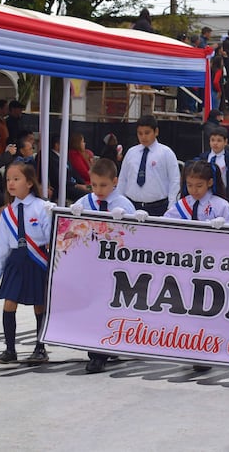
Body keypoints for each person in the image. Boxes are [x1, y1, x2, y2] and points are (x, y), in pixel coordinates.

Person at [70, 158, 137, 373]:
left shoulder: (124, 205)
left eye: (103, 185)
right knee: (94, 308)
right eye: (94, 185)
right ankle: (96, 353)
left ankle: (109, 345)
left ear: (115, 182)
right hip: (90, 266)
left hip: (115, 266)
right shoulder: (84, 203)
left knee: (111, 306)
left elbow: (136, 237)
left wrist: (129, 221)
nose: (98, 190)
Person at [0, 162, 53, 363]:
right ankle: (9, 349)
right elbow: (3, 247)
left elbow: (50, 237)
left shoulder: (42, 208)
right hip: (16, 261)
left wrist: (53, 215)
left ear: (30, 183)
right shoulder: (7, 213)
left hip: (37, 260)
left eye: (16, 179)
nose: (11, 183)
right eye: (8, 179)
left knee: (38, 305)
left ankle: (40, 347)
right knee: (9, 303)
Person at [117, 115, 180, 216]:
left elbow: (174, 181)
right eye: (140, 133)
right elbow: (123, 179)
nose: (143, 137)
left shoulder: (166, 153)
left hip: (158, 207)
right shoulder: (131, 152)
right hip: (131, 205)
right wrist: (119, 203)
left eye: (147, 133)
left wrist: (171, 207)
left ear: (156, 132)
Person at [164, 160, 229, 226]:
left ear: (210, 183)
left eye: (199, 186)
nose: (194, 190)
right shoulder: (182, 204)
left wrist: (225, 224)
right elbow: (164, 221)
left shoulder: (221, 205)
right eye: (189, 185)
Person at [199, 126, 229, 216]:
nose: (215, 143)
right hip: (206, 196)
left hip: (225, 196)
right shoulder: (203, 158)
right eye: (213, 140)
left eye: (219, 140)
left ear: (225, 142)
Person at [42, 133, 89, 203]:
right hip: (63, 187)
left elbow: (74, 172)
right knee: (85, 195)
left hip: (71, 185)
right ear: (57, 145)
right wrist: (76, 185)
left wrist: (83, 183)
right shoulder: (51, 158)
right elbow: (57, 177)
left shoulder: (62, 156)